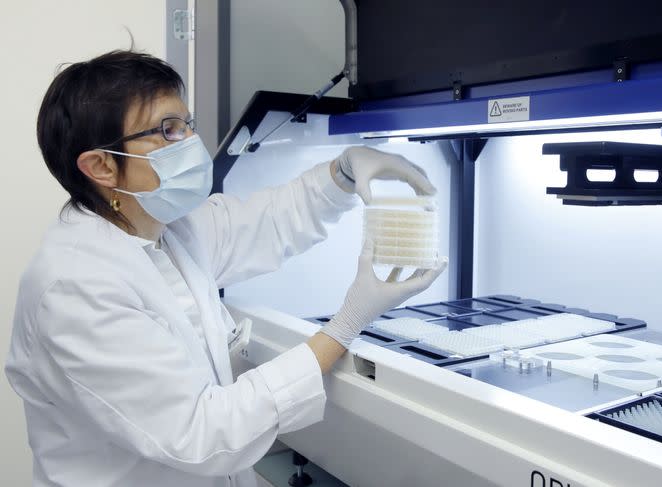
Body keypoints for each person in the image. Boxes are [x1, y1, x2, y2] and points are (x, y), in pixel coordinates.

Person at [4, 50, 446, 487]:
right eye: (167, 131)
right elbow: (201, 434)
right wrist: (345, 326)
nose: (191, 142)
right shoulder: (74, 289)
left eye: (186, 124)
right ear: (101, 165)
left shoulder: (167, 229)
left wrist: (344, 172)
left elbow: (269, 222)